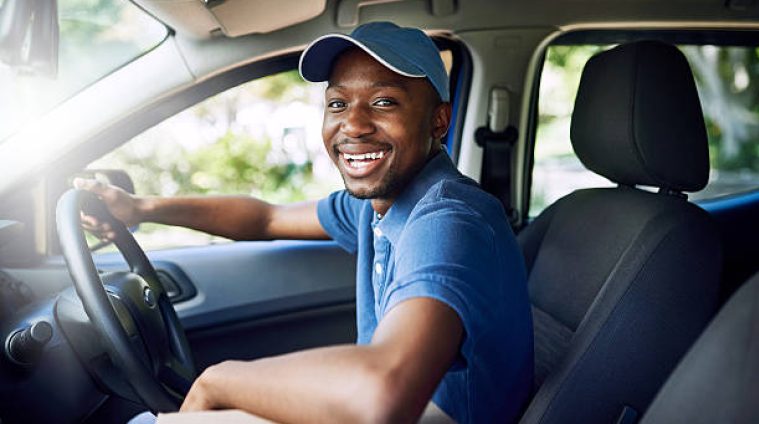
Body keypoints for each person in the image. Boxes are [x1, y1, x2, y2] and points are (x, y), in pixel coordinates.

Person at [78, 22, 533, 424]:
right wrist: (141, 209)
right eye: (337, 103)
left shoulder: (449, 220)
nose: (353, 124)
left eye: (383, 101)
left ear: (438, 121)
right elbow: (265, 218)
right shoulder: (381, 201)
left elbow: (382, 396)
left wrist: (219, 382)